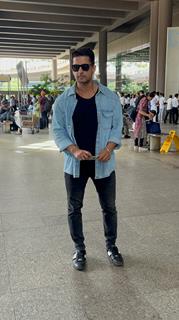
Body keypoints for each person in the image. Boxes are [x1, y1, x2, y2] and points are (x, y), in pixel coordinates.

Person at [53, 48, 124, 271]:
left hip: (103, 163)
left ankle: (111, 246)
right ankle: (80, 250)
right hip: (75, 164)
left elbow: (117, 126)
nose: (80, 71)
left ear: (93, 68)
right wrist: (73, 150)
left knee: (109, 207)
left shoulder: (110, 97)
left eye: (85, 66)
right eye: (76, 67)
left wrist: (110, 147)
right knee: (74, 208)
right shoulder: (63, 101)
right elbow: (58, 130)